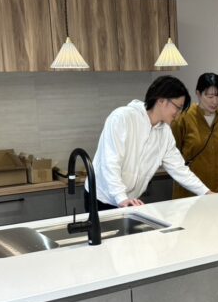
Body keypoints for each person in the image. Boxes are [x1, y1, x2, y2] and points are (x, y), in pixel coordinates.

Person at [89, 75, 211, 208]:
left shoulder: (165, 133)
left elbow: (179, 169)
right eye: (178, 107)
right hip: (102, 198)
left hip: (129, 201)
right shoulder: (122, 118)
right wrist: (121, 198)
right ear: (161, 100)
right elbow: (110, 162)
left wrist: (206, 192)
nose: (179, 113)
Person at [170, 73, 218, 199]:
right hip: (191, 193)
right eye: (209, 96)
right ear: (198, 94)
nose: (215, 101)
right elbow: (173, 154)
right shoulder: (183, 118)